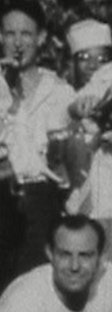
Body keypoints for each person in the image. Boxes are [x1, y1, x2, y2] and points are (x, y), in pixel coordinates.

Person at [0, 0, 77, 279]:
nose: (18, 44)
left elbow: (70, 162)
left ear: (41, 38)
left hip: (41, 202)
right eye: (10, 34)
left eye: (26, 34)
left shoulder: (60, 92)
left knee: (33, 285)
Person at [0, 214, 112, 312]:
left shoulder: (107, 281)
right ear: (50, 254)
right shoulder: (25, 300)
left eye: (85, 256)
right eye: (65, 255)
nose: (74, 266)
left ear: (101, 257)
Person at [64, 19, 112, 262]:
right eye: (84, 58)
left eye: (103, 59)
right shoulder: (62, 95)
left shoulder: (107, 84)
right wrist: (75, 110)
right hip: (75, 197)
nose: (94, 65)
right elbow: (71, 109)